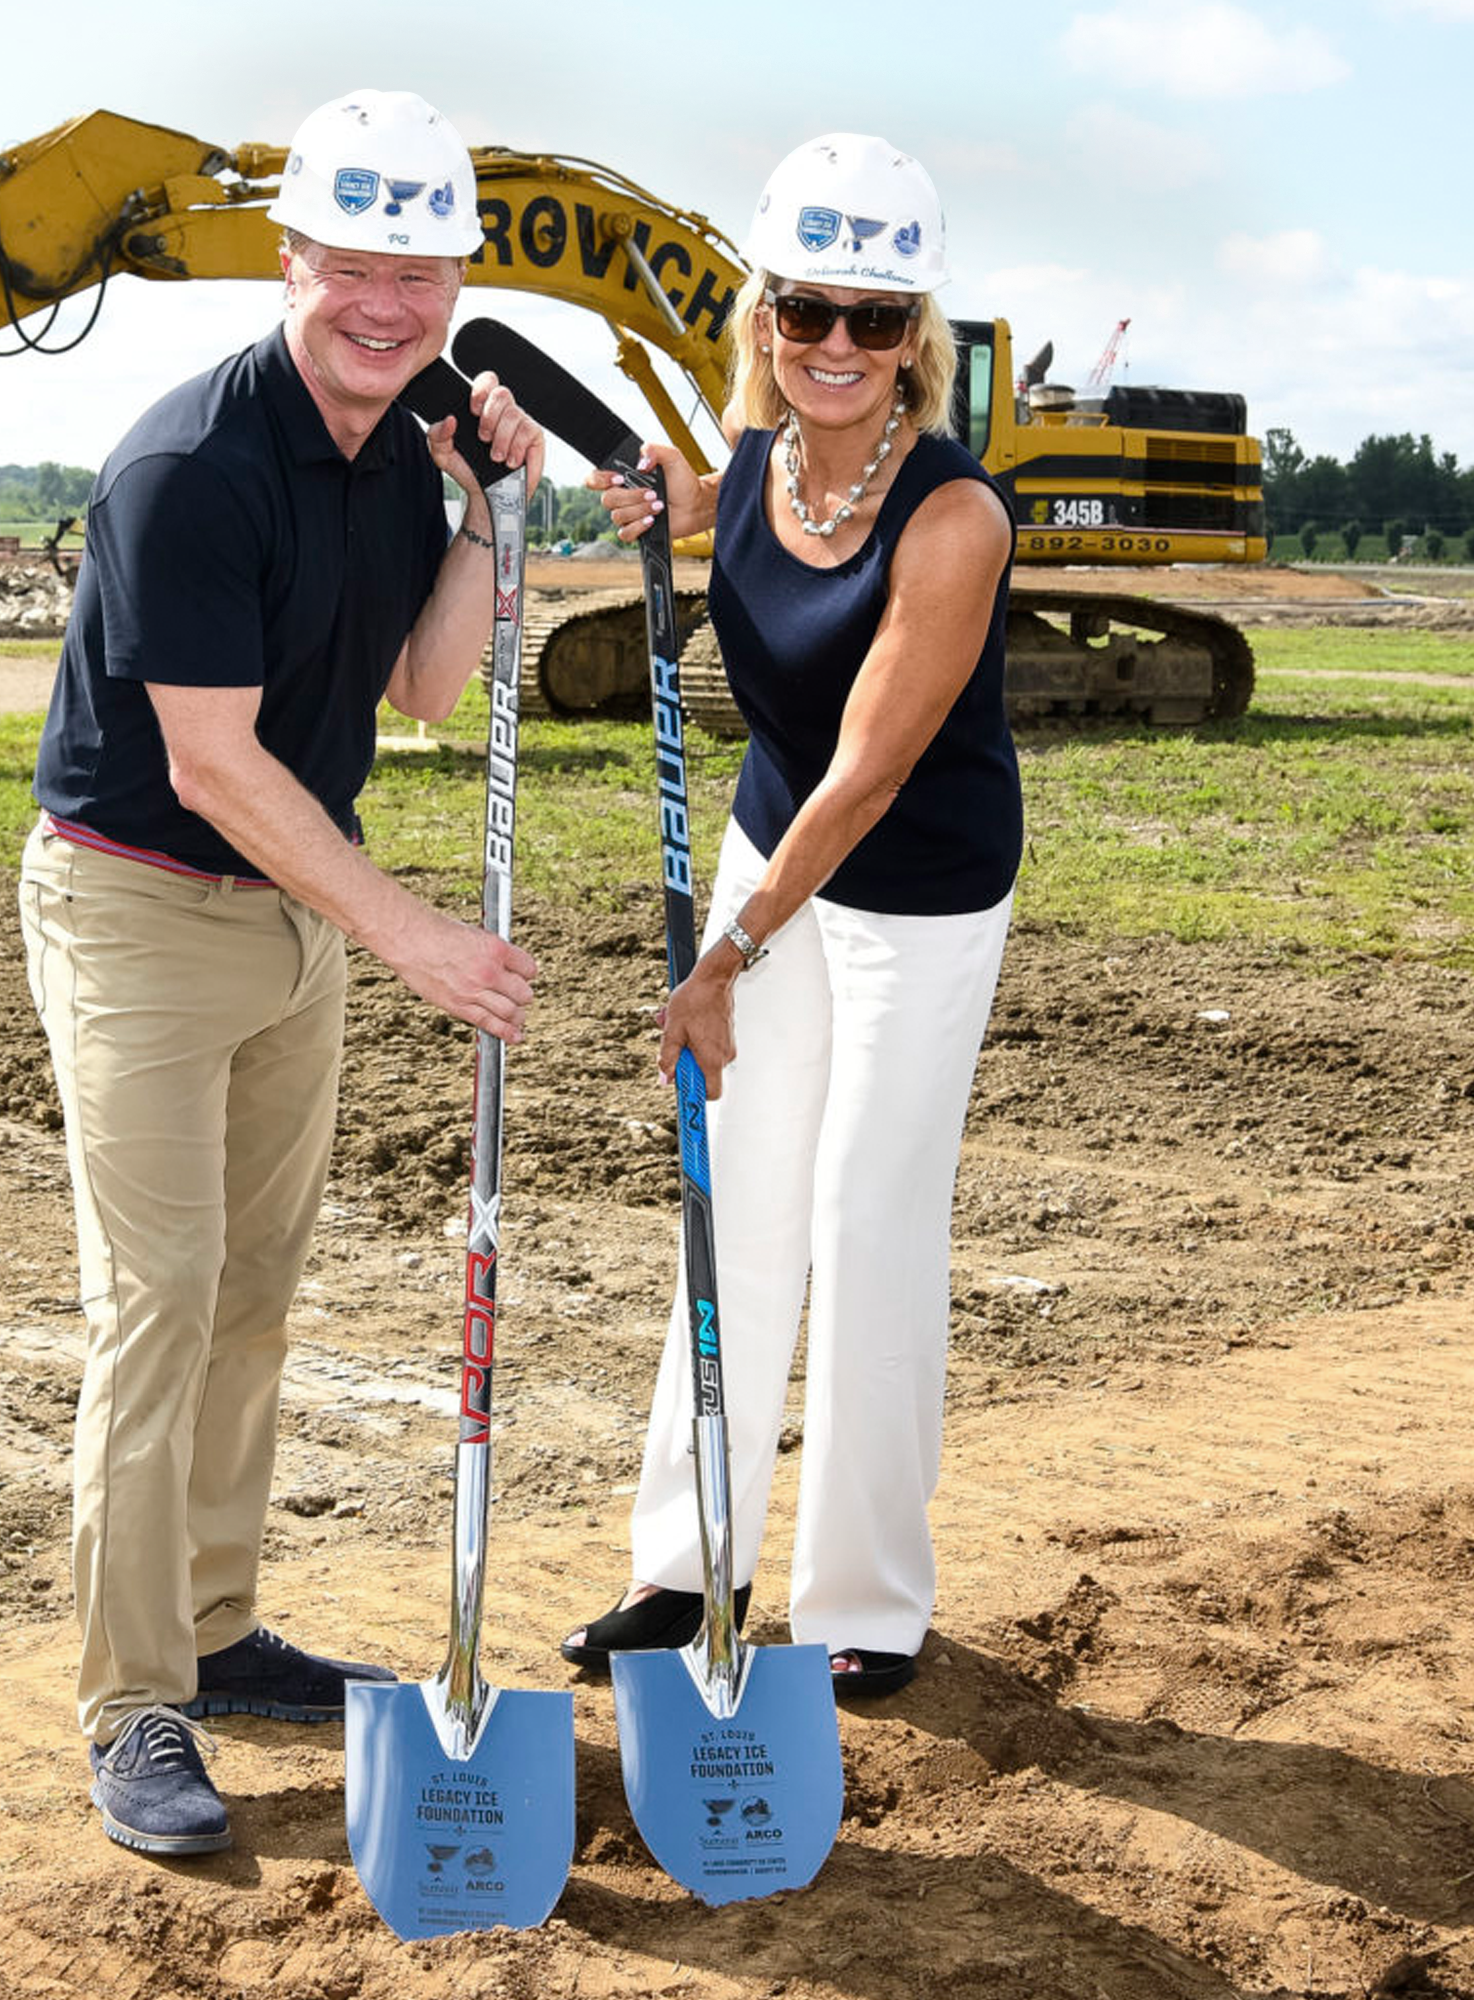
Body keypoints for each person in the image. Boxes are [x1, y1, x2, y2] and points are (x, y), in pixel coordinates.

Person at [20, 88, 543, 1858]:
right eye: (351, 265)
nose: (384, 303)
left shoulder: (407, 453)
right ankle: (132, 1699)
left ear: (455, 275)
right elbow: (214, 766)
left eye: (420, 269)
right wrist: (417, 938)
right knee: (156, 1302)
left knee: (254, 1289)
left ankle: (220, 1626)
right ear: (288, 257)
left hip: (295, 919)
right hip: (145, 907)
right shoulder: (188, 466)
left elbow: (417, 694)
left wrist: (484, 524)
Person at [559, 133, 1019, 1698]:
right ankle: (687, 1572)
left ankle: (863, 1604)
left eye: (874, 320)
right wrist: (630, 492)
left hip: (912, 885)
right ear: (762, 318)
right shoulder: (756, 466)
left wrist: (725, 953)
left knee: (866, 1218)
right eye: (807, 310)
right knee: (735, 1203)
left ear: (918, 341)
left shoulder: (957, 517)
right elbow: (686, 499)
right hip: (774, 850)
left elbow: (872, 774)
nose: (836, 345)